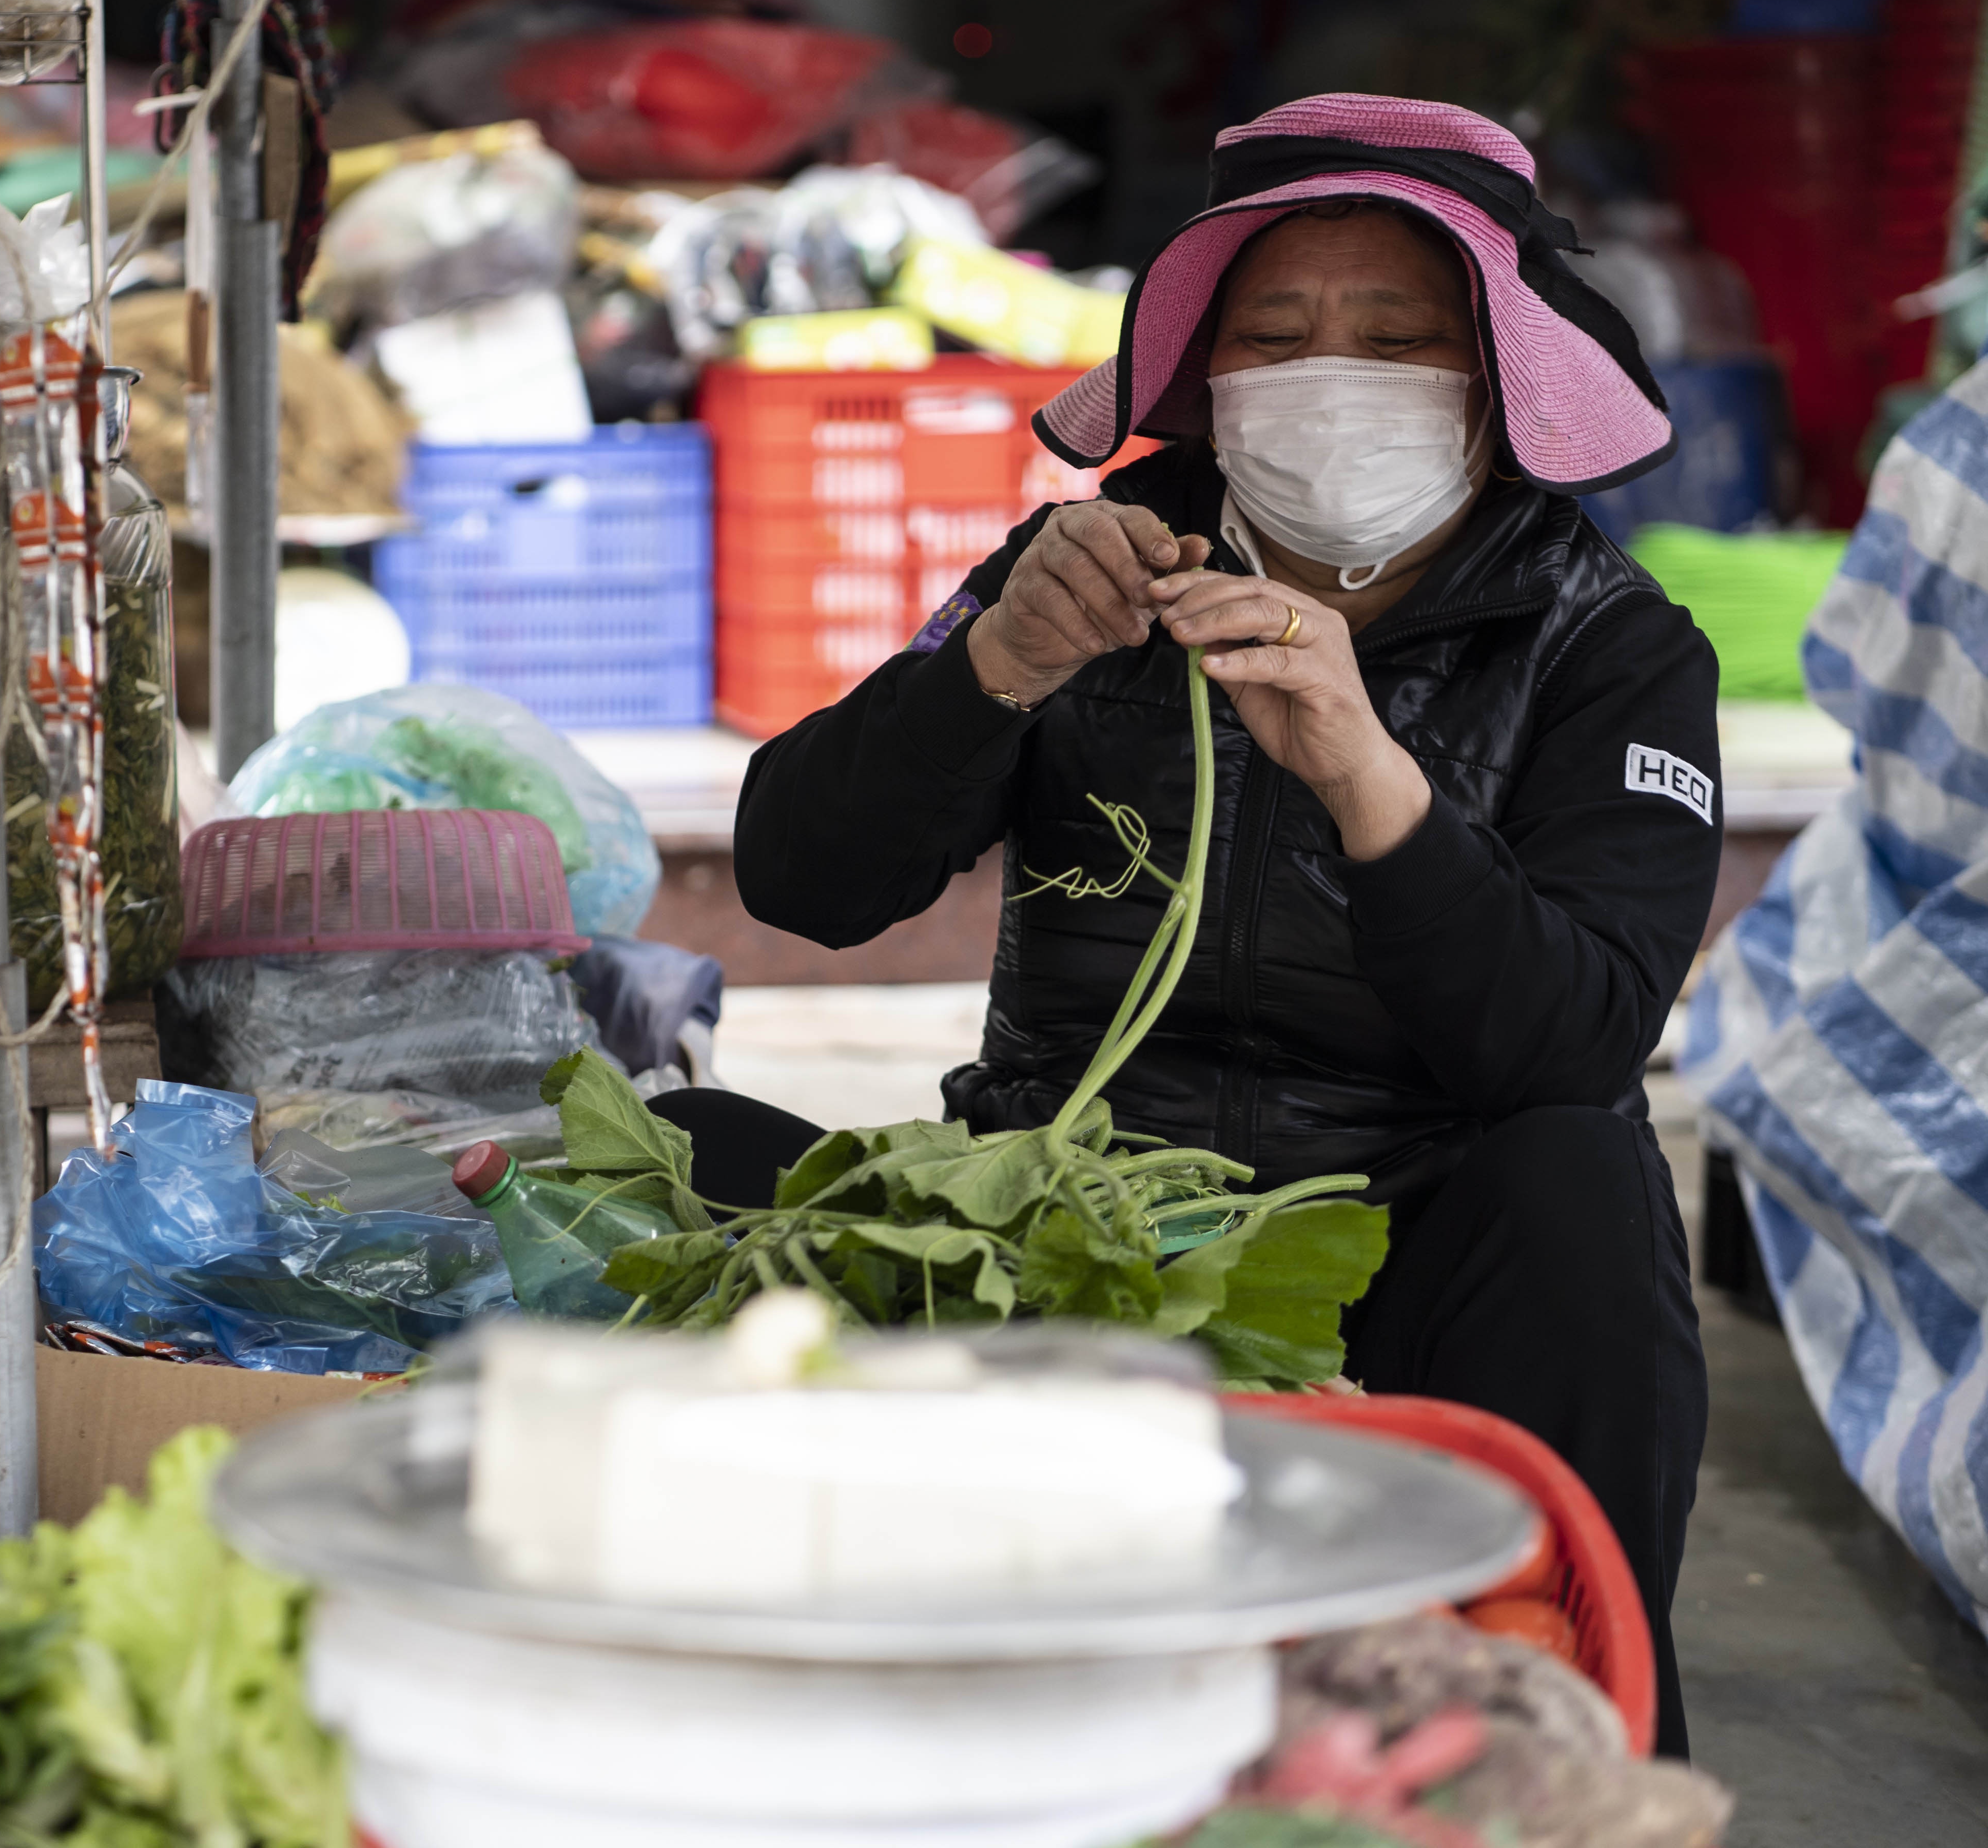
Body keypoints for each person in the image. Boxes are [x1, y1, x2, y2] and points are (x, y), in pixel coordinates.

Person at [686, 94, 1718, 1754]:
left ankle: (1568, 1737)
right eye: (1277, 337)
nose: (1332, 378)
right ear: (1213, 378)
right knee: (690, 1152)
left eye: (1397, 340)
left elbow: (1571, 1038)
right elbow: (800, 878)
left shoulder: (1607, 644)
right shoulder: (1089, 570)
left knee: (1583, 1180)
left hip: (1402, 1244)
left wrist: (1369, 778)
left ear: (1492, 377)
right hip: (1070, 1224)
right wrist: (995, 668)